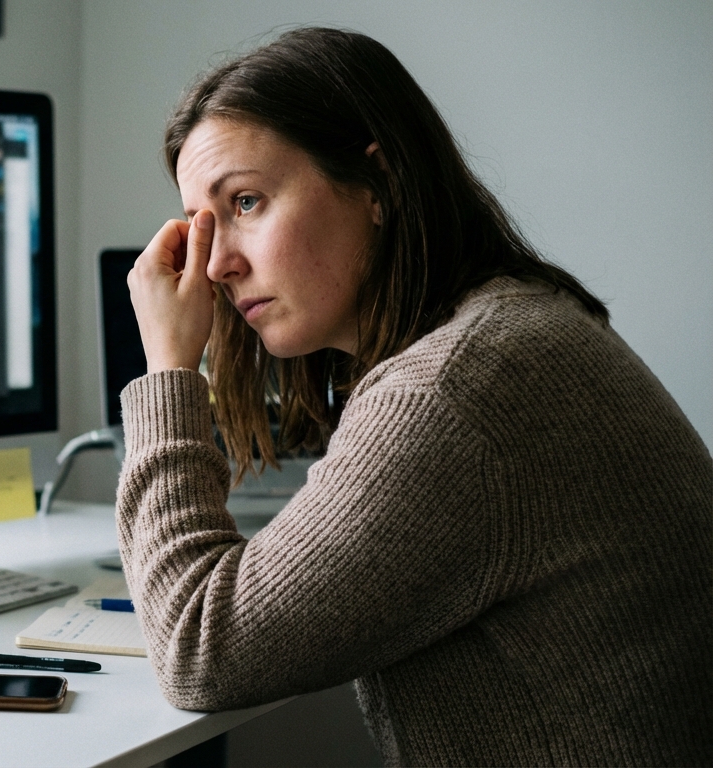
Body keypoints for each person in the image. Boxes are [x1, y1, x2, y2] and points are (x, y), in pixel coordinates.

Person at [120, 27, 711, 766]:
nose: (218, 264)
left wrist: (169, 372)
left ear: (380, 186)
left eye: (247, 200)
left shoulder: (457, 390)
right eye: (205, 224)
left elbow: (199, 652)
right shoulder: (509, 329)